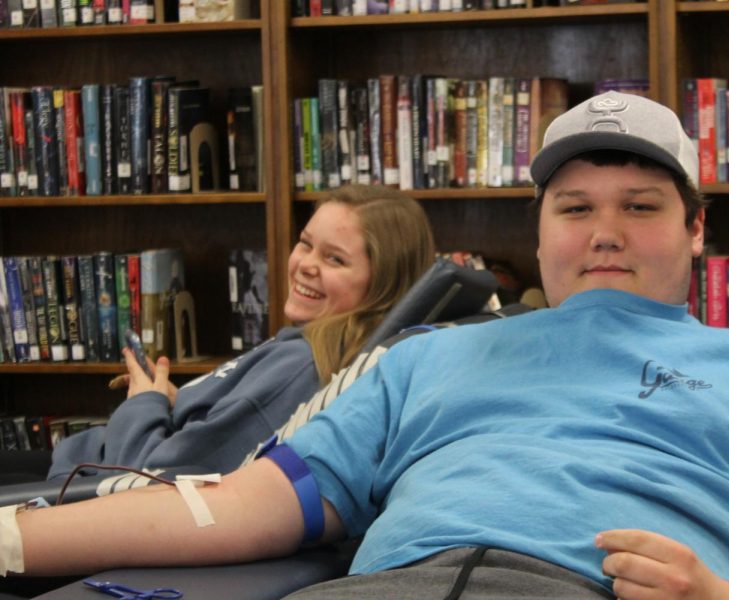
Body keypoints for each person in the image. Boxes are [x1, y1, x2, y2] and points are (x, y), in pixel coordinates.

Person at [8, 92, 729, 599]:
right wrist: (14, 539)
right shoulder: (429, 355)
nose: (605, 234)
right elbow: (237, 507)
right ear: (541, 228)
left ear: (698, 229)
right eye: (576, 208)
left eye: (641, 207)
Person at [14, 184, 436, 482]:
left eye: (335, 259)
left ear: (382, 285)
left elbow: (148, 479)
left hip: (81, 483)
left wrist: (144, 403)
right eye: (306, 244)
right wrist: (183, 402)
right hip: (80, 464)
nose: (306, 264)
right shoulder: (315, 344)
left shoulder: (299, 366)